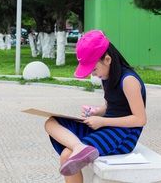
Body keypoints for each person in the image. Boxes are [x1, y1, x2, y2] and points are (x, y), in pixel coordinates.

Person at [44, 30, 147, 183]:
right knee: (51, 122)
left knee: (67, 155)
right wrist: (97, 111)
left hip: (124, 135)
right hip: (106, 126)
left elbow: (140, 119)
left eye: (93, 69)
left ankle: (79, 149)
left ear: (107, 59)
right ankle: (80, 147)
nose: (93, 75)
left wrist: (103, 121)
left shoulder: (128, 80)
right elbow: (112, 105)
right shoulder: (108, 75)